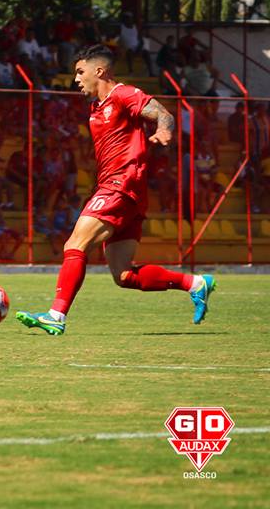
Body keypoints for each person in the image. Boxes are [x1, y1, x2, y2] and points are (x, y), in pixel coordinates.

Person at [17, 44, 216, 336]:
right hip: (126, 191)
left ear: (100, 71)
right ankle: (194, 284)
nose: (76, 79)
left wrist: (164, 130)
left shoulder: (122, 94)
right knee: (123, 275)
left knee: (75, 245)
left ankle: (56, 315)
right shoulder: (96, 109)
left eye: (80, 72)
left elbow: (163, 113)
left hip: (121, 185)